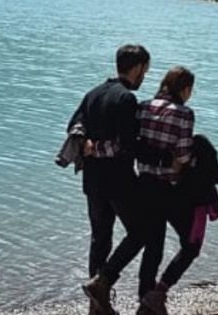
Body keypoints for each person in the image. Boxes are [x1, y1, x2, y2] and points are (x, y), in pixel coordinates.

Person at [72, 45, 159, 315]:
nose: (145, 75)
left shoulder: (93, 94)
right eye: (145, 69)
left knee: (100, 239)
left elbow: (73, 126)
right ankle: (103, 280)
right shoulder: (125, 100)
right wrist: (163, 158)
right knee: (141, 232)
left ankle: (96, 307)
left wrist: (90, 146)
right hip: (119, 180)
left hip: (92, 180)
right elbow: (128, 145)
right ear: (137, 68)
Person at [136, 67, 202, 315]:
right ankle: (160, 291)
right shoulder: (184, 114)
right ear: (185, 89)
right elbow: (183, 155)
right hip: (169, 187)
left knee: (153, 246)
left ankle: (145, 299)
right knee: (191, 243)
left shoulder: (143, 106)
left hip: (142, 183)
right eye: (190, 90)